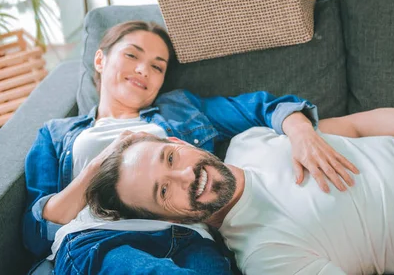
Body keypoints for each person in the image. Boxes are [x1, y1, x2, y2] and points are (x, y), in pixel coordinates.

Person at [23, 20, 367, 275]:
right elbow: (36, 235)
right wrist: (99, 166)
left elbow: (263, 107)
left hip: (187, 236)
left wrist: (302, 132)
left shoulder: (180, 110)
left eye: (158, 66)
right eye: (132, 55)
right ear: (100, 60)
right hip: (101, 240)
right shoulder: (57, 134)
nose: (144, 69)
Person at [85, 110, 394, 275]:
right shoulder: (265, 257)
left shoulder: (252, 139)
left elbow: (359, 123)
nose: (185, 178)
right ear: (168, 218)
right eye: (162, 192)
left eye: (171, 161)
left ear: (179, 143)